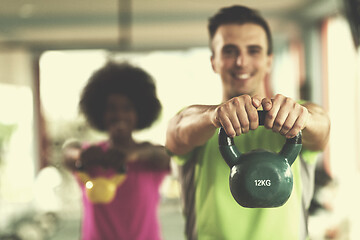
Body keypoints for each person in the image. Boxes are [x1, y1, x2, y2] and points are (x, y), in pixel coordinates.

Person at [165, 5, 330, 240]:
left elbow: (322, 124)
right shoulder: (199, 122)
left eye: (253, 50)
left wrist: (304, 117)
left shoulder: (298, 117)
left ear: (269, 61)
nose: (241, 62)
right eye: (230, 51)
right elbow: (177, 130)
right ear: (214, 61)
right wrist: (214, 116)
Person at [62, 62, 170, 240]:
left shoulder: (149, 156)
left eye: (127, 108)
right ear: (100, 113)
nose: (119, 114)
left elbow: (166, 156)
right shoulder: (91, 156)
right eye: (111, 108)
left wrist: (132, 155)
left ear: (140, 113)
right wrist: (81, 155)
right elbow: (68, 153)